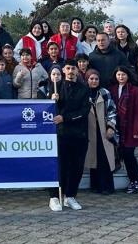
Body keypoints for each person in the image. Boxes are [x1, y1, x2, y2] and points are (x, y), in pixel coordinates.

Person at [46, 60, 90, 211]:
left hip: (79, 134)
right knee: (59, 165)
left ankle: (70, 196)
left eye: (73, 69)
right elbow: (48, 110)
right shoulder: (55, 87)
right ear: (64, 70)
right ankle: (54, 197)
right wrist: (52, 101)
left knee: (76, 167)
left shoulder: (84, 89)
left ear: (77, 71)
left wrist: (65, 118)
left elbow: (84, 111)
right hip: (61, 134)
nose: (71, 71)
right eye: (68, 68)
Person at [110, 66, 138, 194]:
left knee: (129, 155)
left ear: (128, 75)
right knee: (122, 154)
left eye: (123, 74)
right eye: (118, 74)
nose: (121, 77)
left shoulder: (135, 90)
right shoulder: (112, 89)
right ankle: (133, 181)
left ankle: (136, 181)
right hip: (116, 126)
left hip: (130, 128)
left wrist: (137, 131)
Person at [84, 69, 117, 195]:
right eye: (91, 79)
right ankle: (95, 185)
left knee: (105, 158)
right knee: (94, 158)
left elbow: (112, 110)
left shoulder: (104, 92)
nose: (94, 81)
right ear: (87, 80)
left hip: (103, 130)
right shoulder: (83, 92)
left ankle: (106, 186)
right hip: (89, 130)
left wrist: (111, 127)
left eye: (96, 79)